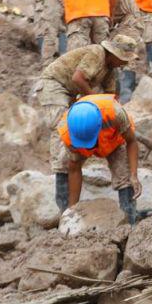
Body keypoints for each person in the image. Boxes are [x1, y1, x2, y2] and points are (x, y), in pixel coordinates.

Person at [36, 35, 139, 213]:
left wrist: (118, 120)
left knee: (100, 133)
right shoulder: (97, 53)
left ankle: (129, 211)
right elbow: (77, 78)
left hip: (73, 93)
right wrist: (92, 102)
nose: (124, 64)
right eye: (122, 59)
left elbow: (111, 98)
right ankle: (63, 194)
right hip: (55, 84)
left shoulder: (110, 70)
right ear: (113, 53)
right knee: (62, 126)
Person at [58, 94, 142, 224]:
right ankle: (63, 211)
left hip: (114, 141)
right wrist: (71, 211)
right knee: (63, 163)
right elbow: (74, 169)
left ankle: (129, 223)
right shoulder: (67, 132)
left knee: (124, 176)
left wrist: (134, 175)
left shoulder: (115, 113)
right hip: (80, 145)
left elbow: (131, 141)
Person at [110, 0, 146, 102]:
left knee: (126, 56)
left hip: (131, 20)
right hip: (121, 21)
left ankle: (126, 98)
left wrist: (109, 20)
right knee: (114, 55)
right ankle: (117, 94)